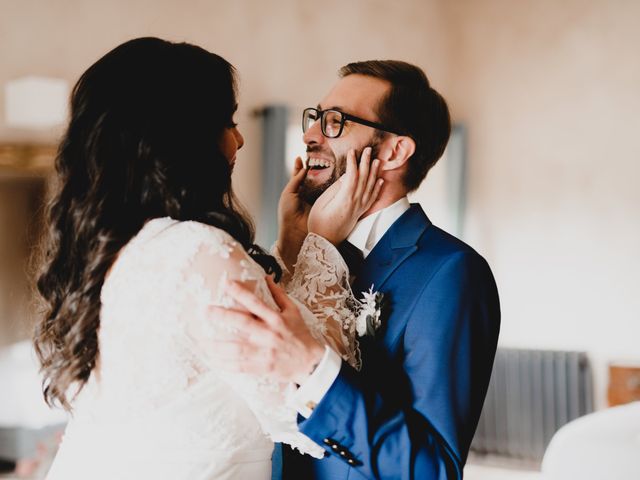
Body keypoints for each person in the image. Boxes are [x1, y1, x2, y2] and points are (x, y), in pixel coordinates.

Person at [32, 37, 383, 480]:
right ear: (185, 135)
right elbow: (308, 408)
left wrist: (293, 244)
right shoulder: (198, 250)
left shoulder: (117, 250)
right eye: (228, 121)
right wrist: (322, 243)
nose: (238, 139)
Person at [209, 60, 501, 479]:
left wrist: (315, 369)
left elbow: (431, 470)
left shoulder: (451, 272)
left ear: (394, 151)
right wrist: (296, 254)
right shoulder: (307, 249)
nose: (310, 135)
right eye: (315, 118)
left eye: (335, 122)